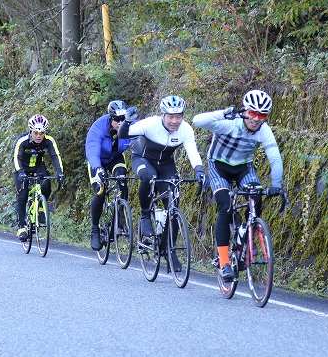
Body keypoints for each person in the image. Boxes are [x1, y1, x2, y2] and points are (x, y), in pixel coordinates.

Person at [192, 89, 287, 282]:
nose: (257, 119)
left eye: (262, 115)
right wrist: (224, 113)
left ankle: (247, 231)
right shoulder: (229, 123)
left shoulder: (264, 130)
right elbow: (197, 121)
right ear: (244, 110)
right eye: (253, 113)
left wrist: (277, 184)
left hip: (244, 167)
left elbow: (275, 158)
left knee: (257, 197)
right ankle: (224, 261)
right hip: (218, 165)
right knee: (225, 206)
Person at [118, 95, 207, 272]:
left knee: (173, 204)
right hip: (143, 158)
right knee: (147, 176)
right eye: (171, 117)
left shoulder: (185, 129)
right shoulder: (150, 124)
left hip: (166, 164)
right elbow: (123, 134)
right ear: (162, 114)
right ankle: (145, 215)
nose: (175, 121)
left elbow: (192, 151)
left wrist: (199, 170)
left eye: (179, 116)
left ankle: (169, 250)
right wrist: (126, 122)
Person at [85, 100, 134, 251]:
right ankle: (94, 230)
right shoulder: (98, 127)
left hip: (116, 157)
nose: (120, 123)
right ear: (111, 118)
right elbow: (92, 151)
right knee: (100, 192)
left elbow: (141, 142)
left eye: (123, 119)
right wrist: (98, 168)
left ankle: (119, 213)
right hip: (98, 160)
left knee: (122, 180)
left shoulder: (131, 125)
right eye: (117, 120)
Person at [12, 114, 65, 242]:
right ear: (31, 131)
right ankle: (21, 226)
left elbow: (55, 156)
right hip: (22, 168)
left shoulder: (49, 141)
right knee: (22, 195)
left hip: (37, 166)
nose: (38, 136)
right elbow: (16, 158)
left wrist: (60, 172)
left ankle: (40, 208)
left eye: (42, 133)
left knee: (46, 184)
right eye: (36, 132)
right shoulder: (22, 140)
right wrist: (20, 172)